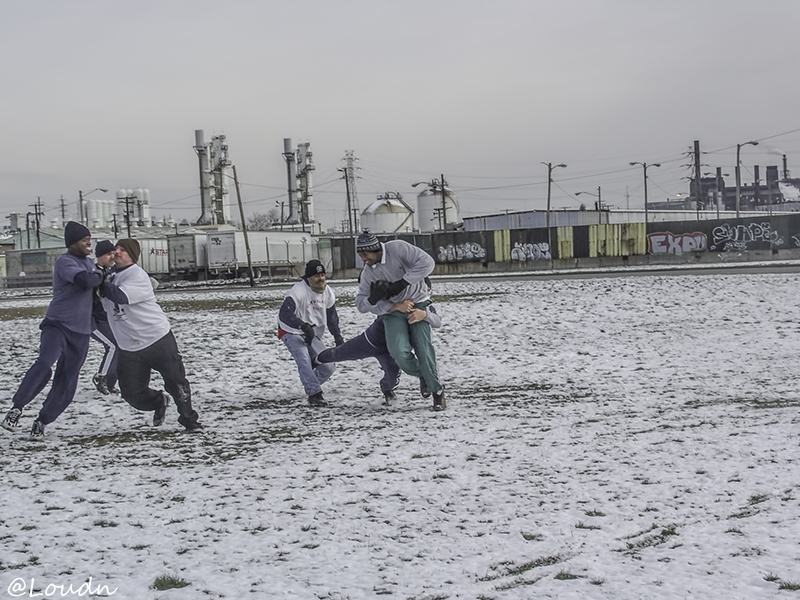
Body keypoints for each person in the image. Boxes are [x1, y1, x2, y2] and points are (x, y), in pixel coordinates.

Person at [1, 222, 105, 440]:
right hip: (57, 325)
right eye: (85, 239)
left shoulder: (89, 262)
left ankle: (42, 422)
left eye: (90, 239)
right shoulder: (65, 262)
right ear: (73, 243)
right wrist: (101, 272)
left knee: (67, 381)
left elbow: (98, 286)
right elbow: (86, 281)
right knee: (44, 363)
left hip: (82, 332)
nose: (89, 243)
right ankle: (16, 409)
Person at [99, 239, 203, 432]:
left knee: (176, 382)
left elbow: (120, 296)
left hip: (156, 338)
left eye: (123, 250)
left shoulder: (137, 275)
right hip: (129, 347)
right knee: (131, 394)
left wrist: (99, 281)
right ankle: (158, 401)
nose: (117, 252)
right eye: (116, 248)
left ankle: (189, 420)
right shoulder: (109, 276)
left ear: (133, 255)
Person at [354, 230, 446, 410]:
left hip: (417, 305)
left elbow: (427, 263)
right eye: (360, 255)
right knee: (398, 352)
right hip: (393, 311)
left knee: (423, 350)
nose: (363, 259)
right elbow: (360, 304)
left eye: (365, 254)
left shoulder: (397, 248)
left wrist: (402, 283)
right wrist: (373, 300)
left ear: (375, 249)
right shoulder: (367, 273)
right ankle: (425, 375)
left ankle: (438, 393)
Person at [313, 279, 441, 405]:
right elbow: (376, 302)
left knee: (392, 377)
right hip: (371, 341)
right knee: (340, 353)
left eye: (427, 292)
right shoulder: (398, 299)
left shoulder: (424, 306)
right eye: (423, 290)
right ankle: (317, 359)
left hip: (390, 352)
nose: (422, 295)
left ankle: (388, 389)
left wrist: (425, 315)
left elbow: (437, 321)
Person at [278, 259, 344, 407]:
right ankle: (314, 394)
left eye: (322, 275)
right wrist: (303, 326)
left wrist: (337, 336)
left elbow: (332, 316)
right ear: (308, 278)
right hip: (291, 330)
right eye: (316, 276)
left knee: (328, 367)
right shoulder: (297, 291)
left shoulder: (327, 292)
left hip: (312, 332)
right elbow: (284, 314)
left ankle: (310, 380)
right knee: (303, 358)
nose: (320, 278)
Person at [90, 240, 119, 395]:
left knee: (117, 346)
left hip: (105, 318)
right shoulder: (94, 273)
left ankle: (109, 382)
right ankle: (101, 377)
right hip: (92, 320)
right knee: (113, 346)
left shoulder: (110, 271)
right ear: (99, 256)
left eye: (113, 253)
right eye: (109, 254)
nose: (112, 257)